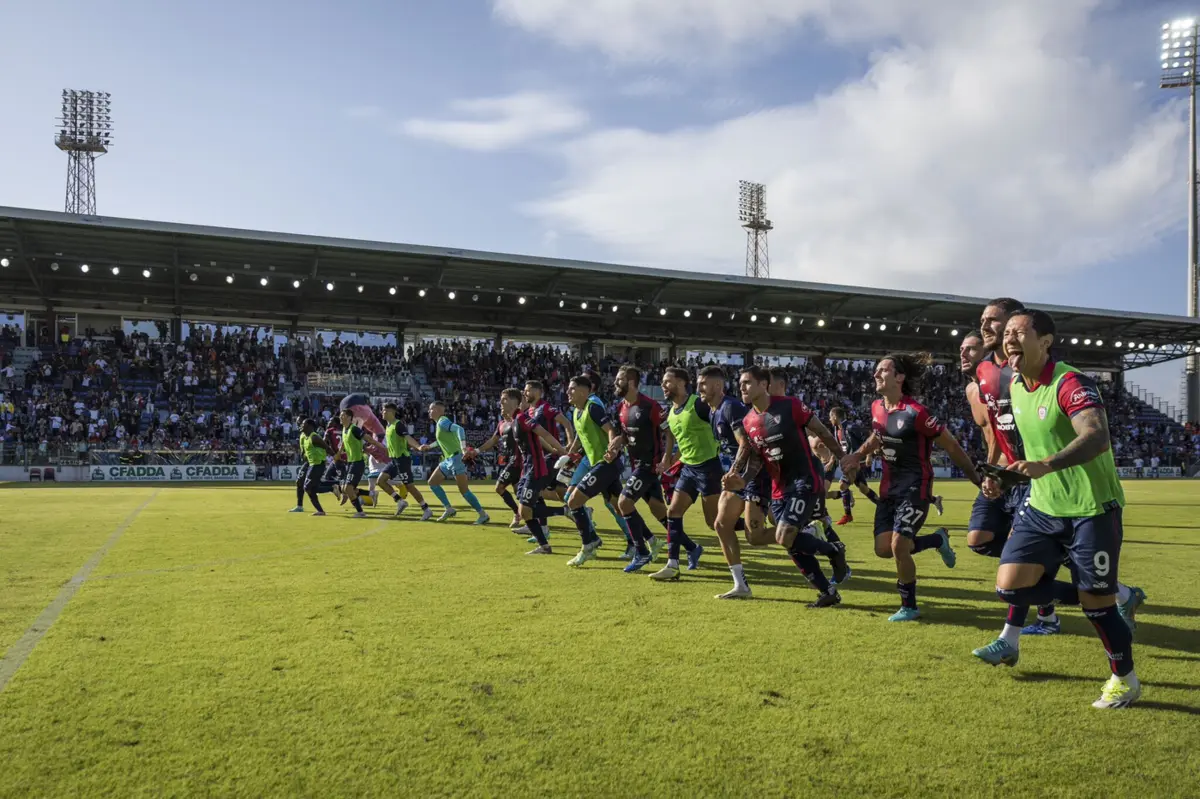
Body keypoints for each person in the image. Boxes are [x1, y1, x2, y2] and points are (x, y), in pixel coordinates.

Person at [979, 310, 1142, 709]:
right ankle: (1106, 595)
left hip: (1092, 509)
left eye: (1019, 332)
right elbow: (1028, 448)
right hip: (1043, 507)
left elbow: (1096, 435)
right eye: (1007, 335)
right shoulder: (1016, 386)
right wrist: (1007, 474)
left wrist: (1047, 465)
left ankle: (1125, 679)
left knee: (1097, 608)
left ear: (1046, 341)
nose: (1009, 340)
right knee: (1009, 586)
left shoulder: (1070, 382)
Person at [841, 353, 980, 622]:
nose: (876, 375)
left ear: (899, 377)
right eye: (876, 370)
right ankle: (937, 539)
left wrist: (975, 478)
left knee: (898, 545)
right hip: (888, 490)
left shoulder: (917, 413)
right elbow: (876, 437)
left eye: (883, 370)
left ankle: (909, 605)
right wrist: (857, 455)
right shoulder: (877, 407)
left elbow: (951, 446)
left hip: (916, 488)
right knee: (883, 549)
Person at [724, 365, 849, 608]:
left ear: (764, 385)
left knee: (784, 536)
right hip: (779, 489)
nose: (742, 387)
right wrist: (744, 480)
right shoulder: (748, 420)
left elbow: (821, 431)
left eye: (748, 383)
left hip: (805, 480)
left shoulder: (790, 405)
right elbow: (758, 459)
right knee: (790, 542)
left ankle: (833, 551)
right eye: (740, 384)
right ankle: (828, 592)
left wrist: (842, 457)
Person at [699, 365, 772, 599]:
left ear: (718, 386)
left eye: (703, 383)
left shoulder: (730, 407)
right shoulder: (713, 412)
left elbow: (746, 444)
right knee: (721, 525)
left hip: (754, 475)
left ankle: (805, 532)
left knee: (754, 537)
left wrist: (733, 473)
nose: (699, 387)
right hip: (738, 477)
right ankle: (740, 585)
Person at [562, 374, 649, 569]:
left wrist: (612, 448)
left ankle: (589, 543)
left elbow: (610, 429)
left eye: (572, 388)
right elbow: (581, 435)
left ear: (587, 390)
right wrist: (571, 452)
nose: (568, 391)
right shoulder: (577, 410)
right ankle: (647, 541)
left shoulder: (593, 405)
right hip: (595, 462)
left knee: (574, 501)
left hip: (605, 463)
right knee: (618, 505)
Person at [648, 367, 715, 582]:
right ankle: (672, 564)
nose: (663, 386)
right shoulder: (672, 413)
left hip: (709, 467)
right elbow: (680, 445)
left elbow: (721, 426)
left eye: (667, 382)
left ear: (682, 383)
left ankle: (764, 523)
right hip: (689, 469)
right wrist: (669, 461)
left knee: (716, 523)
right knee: (673, 512)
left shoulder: (698, 404)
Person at [492, 388, 568, 554]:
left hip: (535, 468)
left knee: (526, 509)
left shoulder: (522, 418)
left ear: (514, 402)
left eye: (504, 399)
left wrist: (562, 451)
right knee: (524, 511)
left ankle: (567, 512)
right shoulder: (514, 421)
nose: (501, 403)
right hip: (526, 469)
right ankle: (544, 546)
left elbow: (544, 434)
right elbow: (539, 438)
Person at [607, 366, 667, 563]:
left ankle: (641, 552)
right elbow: (626, 435)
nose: (616, 383)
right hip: (636, 464)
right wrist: (617, 443)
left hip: (649, 466)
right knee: (660, 511)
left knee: (624, 502)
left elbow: (670, 431)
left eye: (620, 379)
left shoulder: (651, 407)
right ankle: (692, 547)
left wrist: (667, 459)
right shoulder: (621, 407)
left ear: (631, 383)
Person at [418, 401, 490, 525]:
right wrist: (429, 446)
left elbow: (460, 429)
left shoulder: (442, 421)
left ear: (439, 410)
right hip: (448, 460)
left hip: (457, 458)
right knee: (432, 482)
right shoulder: (439, 424)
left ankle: (483, 514)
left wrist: (463, 448)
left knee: (464, 491)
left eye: (431, 409)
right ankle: (449, 509)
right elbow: (441, 441)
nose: (429, 411)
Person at [378, 402, 432, 521]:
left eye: (384, 411)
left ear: (391, 412)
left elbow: (408, 438)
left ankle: (426, 509)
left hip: (402, 459)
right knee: (380, 481)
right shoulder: (388, 426)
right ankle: (400, 501)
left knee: (409, 486)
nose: (382, 412)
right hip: (394, 460)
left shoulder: (398, 425)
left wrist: (417, 446)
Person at [828, 407, 880, 525]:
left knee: (842, 485)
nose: (829, 419)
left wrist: (869, 456)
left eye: (830, 417)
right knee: (863, 489)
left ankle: (848, 515)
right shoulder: (837, 430)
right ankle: (884, 507)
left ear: (835, 417)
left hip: (855, 463)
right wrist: (832, 461)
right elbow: (838, 448)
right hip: (849, 463)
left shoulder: (852, 427)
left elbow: (869, 437)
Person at [290, 418, 329, 516]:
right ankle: (303, 507)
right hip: (310, 462)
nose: (299, 424)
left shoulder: (313, 436)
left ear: (308, 425)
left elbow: (326, 447)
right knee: (305, 485)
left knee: (308, 486)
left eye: (301, 422)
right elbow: (304, 450)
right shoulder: (304, 436)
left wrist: (337, 457)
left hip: (315, 463)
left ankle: (333, 488)